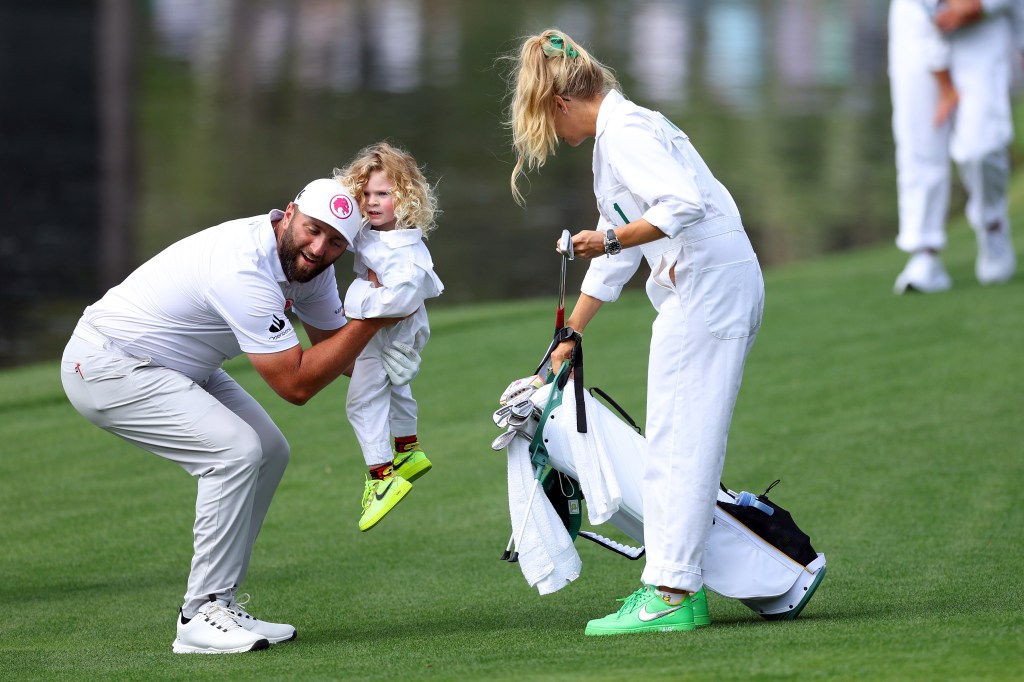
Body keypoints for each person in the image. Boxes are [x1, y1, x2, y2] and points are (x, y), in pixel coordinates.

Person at [59, 178, 422, 654]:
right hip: (108, 363)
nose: (319, 248)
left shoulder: (311, 268)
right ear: (289, 213)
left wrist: (392, 354)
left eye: (336, 242)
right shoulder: (241, 268)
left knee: (269, 451)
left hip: (180, 365)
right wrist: (374, 319)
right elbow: (295, 384)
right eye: (313, 230)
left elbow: (341, 354)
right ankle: (199, 614)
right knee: (234, 452)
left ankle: (222, 604)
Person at [503, 29, 765, 635]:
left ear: (562, 102)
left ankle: (670, 596)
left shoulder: (624, 134)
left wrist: (612, 237)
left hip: (704, 287)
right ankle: (678, 590)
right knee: (683, 437)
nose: (552, 137)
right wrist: (571, 332)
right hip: (720, 281)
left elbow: (680, 204)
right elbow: (619, 250)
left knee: (677, 442)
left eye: (546, 119)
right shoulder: (628, 130)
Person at [336, 142, 444, 532]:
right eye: (366, 194)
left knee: (363, 400)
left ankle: (381, 479)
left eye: (383, 193)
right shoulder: (376, 232)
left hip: (390, 327)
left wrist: (358, 295)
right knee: (395, 387)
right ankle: (407, 449)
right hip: (392, 326)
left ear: (407, 196)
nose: (372, 202)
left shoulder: (403, 252)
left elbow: (400, 300)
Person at [889, 0, 1020, 293]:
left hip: (987, 25)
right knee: (918, 139)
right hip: (917, 21)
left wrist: (984, 5)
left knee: (982, 145)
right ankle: (924, 252)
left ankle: (992, 224)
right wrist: (946, 86)